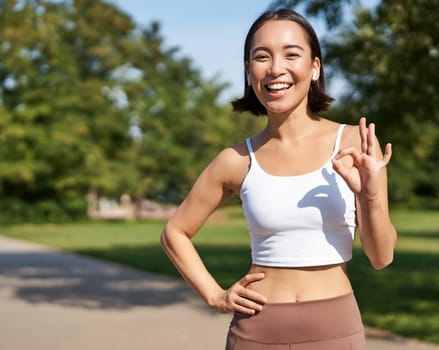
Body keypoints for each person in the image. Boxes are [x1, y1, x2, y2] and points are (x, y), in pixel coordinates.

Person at [160, 9, 396, 349]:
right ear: (248, 71)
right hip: (257, 331)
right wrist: (214, 295)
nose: (275, 69)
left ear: (315, 67)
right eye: (261, 57)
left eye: (291, 54)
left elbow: (381, 256)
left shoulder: (355, 145)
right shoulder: (236, 160)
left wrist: (369, 194)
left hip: (335, 329)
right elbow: (175, 232)